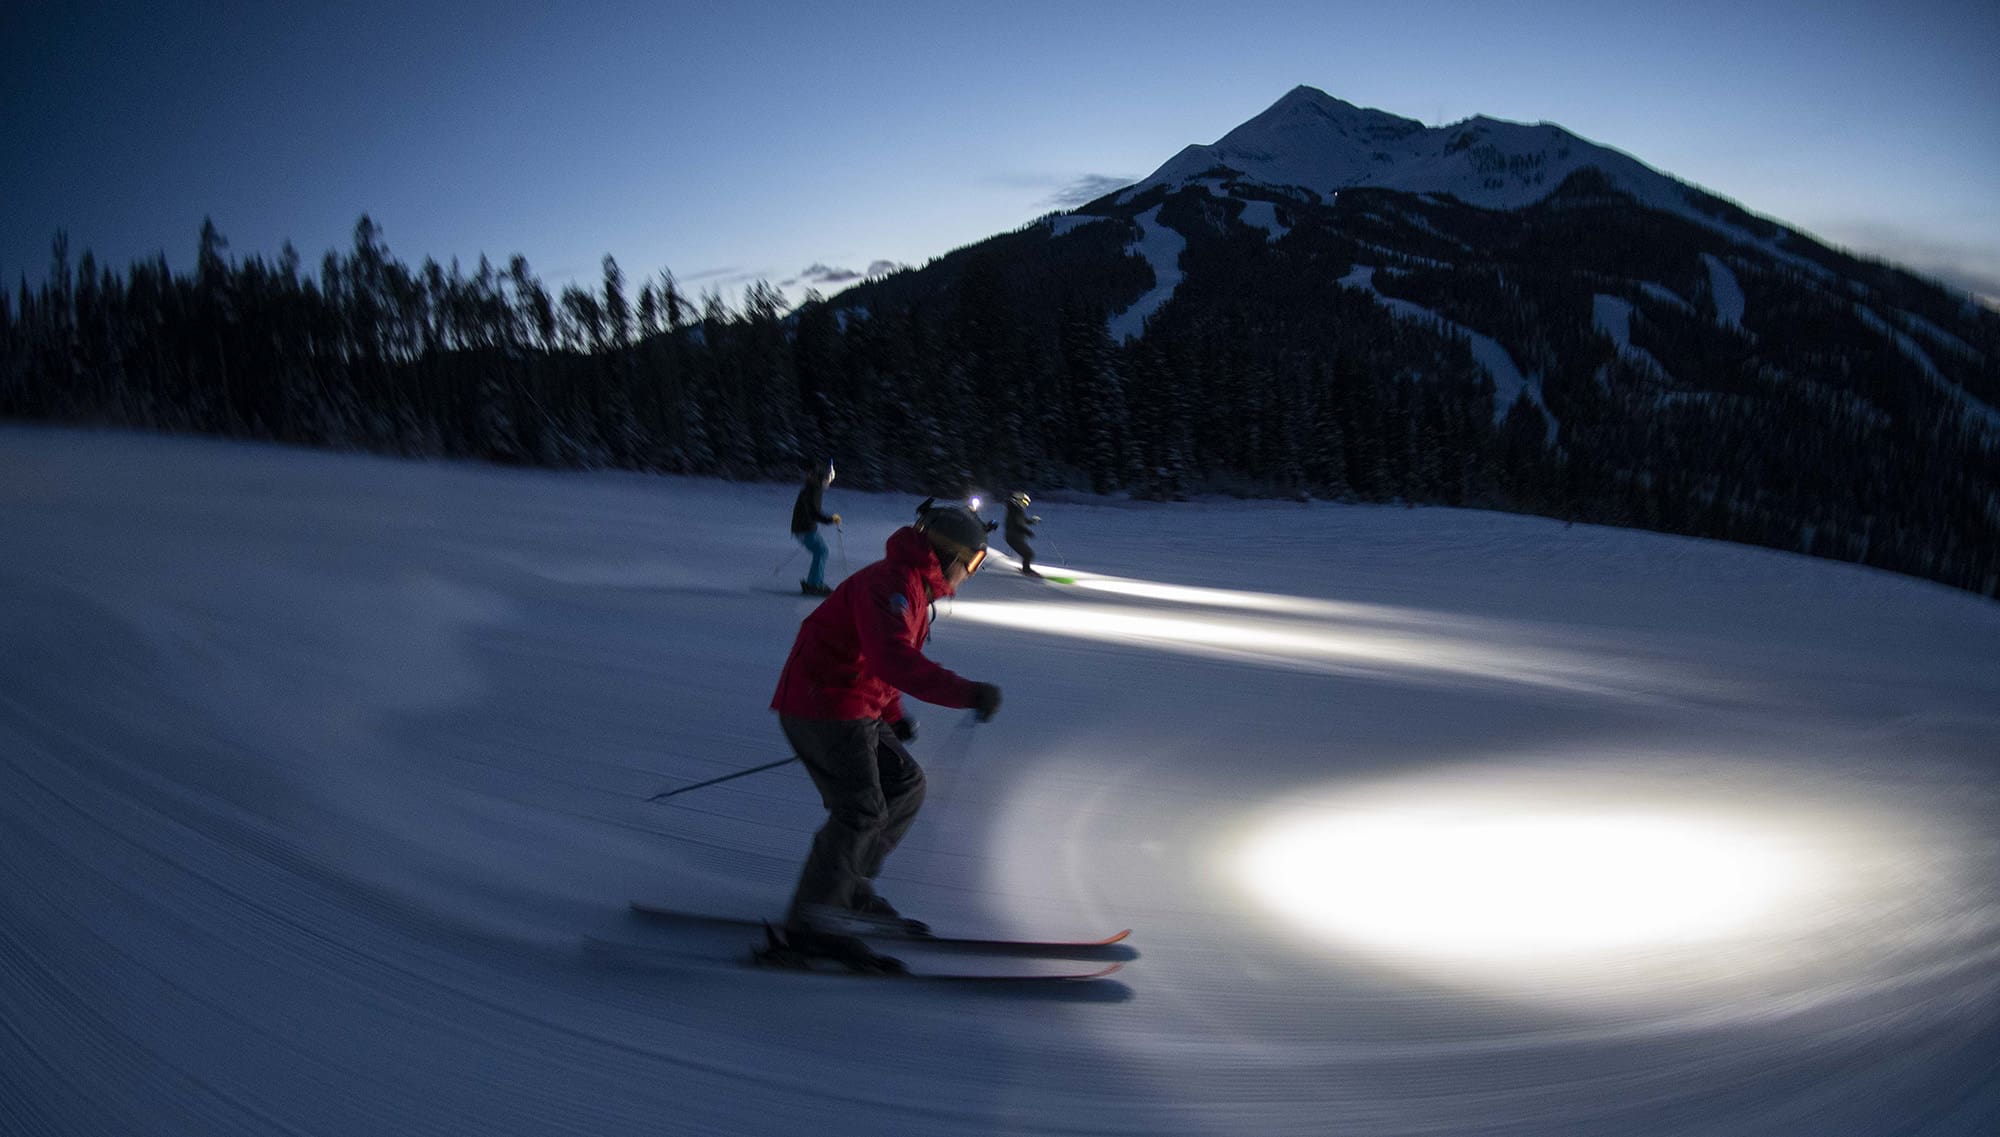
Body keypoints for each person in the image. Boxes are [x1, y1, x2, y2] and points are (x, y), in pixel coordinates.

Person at [768, 501, 1004, 971]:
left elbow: (877, 663)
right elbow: (890, 659)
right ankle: (814, 925)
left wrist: (891, 713)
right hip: (825, 704)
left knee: (904, 786)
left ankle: (847, 888)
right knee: (860, 810)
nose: (972, 572)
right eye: (974, 561)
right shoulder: (892, 586)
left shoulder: (911, 587)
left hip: (848, 704)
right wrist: (966, 692)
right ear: (948, 554)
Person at [789, 460, 841, 596]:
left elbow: (812, 511)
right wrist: (831, 519)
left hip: (801, 528)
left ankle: (813, 582)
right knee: (822, 551)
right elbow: (814, 512)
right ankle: (815, 584)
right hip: (804, 528)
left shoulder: (810, 487)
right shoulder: (814, 488)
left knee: (820, 551)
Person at [1003, 491, 1042, 576]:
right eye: (1024, 502)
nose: (1025, 504)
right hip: (1013, 537)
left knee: (1027, 553)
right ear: (1017, 500)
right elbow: (1016, 525)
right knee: (1028, 553)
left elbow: (1022, 521)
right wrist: (1027, 532)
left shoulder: (1016, 510)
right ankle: (1026, 570)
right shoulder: (1014, 511)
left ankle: (1026, 569)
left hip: (1016, 537)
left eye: (1026, 503)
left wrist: (1032, 521)